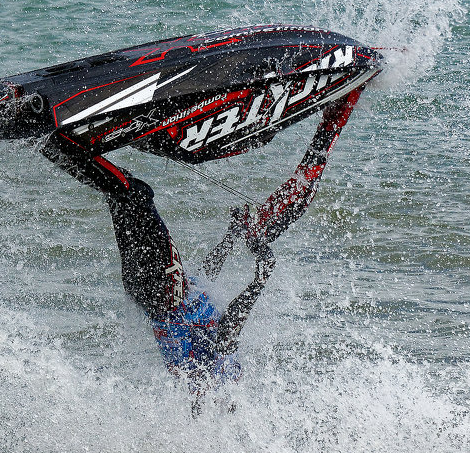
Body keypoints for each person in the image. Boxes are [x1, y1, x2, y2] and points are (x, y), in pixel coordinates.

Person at [36, 88, 365, 405]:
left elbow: (226, 332)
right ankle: (51, 143)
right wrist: (231, 237)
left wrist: (260, 280)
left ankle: (54, 142)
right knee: (123, 192)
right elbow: (202, 283)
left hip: (164, 291)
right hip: (152, 292)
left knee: (132, 193)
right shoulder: (204, 370)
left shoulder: (218, 379)